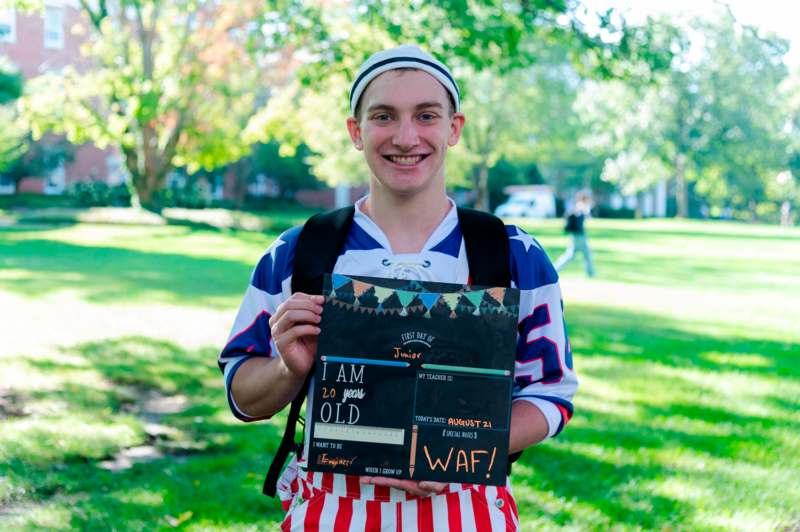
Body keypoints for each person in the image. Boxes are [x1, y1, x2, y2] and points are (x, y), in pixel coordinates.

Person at [218, 45, 578, 531]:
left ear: (454, 128)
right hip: (332, 512)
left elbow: (551, 391)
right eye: (384, 116)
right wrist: (288, 368)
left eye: (426, 115)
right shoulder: (300, 252)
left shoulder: (512, 253)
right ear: (356, 131)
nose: (406, 137)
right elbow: (242, 392)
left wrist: (451, 451)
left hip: (465, 511)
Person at [554, 193, 595, 277]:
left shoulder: (577, 206)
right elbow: (588, 216)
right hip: (579, 236)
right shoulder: (581, 207)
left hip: (576, 235)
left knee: (571, 255)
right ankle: (591, 273)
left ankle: (555, 269)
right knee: (583, 254)